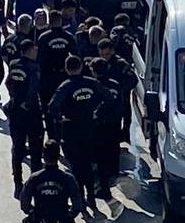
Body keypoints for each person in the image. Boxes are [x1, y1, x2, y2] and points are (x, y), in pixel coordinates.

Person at [47, 55, 110, 203]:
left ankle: (80, 197)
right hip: (89, 127)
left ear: (66, 69)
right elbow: (108, 98)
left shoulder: (65, 86)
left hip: (71, 129)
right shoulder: (92, 82)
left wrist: (60, 118)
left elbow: (52, 106)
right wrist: (97, 113)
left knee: (75, 165)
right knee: (88, 164)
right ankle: (91, 196)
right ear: (81, 67)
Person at [6, 38, 45, 195]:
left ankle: (18, 183)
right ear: (29, 51)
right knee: (35, 149)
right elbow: (34, 88)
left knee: (18, 148)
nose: (36, 52)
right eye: (34, 49)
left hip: (15, 110)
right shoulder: (33, 67)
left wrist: (14, 96)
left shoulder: (13, 64)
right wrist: (28, 104)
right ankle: (35, 184)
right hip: (31, 113)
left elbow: (8, 82)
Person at [95, 38, 137, 179]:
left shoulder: (120, 64)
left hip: (119, 104)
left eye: (107, 54)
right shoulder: (98, 64)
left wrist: (120, 91)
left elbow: (133, 79)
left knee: (114, 135)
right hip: (103, 106)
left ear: (112, 51)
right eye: (102, 54)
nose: (104, 57)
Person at [89, 56, 124, 197]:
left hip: (100, 127)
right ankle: (113, 176)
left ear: (94, 71)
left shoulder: (95, 86)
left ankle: (104, 188)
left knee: (100, 157)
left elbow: (93, 106)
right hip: (114, 124)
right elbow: (120, 104)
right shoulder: (115, 84)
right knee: (113, 151)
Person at [38, 10, 78, 107]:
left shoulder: (43, 37)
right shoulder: (69, 36)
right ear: (61, 20)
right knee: (65, 102)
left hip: (48, 75)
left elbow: (40, 59)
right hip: (64, 74)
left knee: (49, 102)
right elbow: (75, 56)